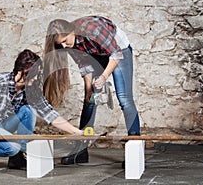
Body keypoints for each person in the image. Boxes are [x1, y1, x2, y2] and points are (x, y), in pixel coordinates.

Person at [43, 15, 140, 165]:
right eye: (59, 44)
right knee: (89, 102)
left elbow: (115, 54)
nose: (63, 46)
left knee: (124, 99)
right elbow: (84, 64)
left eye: (64, 41)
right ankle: (80, 150)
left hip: (119, 50)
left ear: (70, 31)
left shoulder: (93, 30)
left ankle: (135, 151)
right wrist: (89, 90)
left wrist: (103, 76)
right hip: (95, 53)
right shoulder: (69, 44)